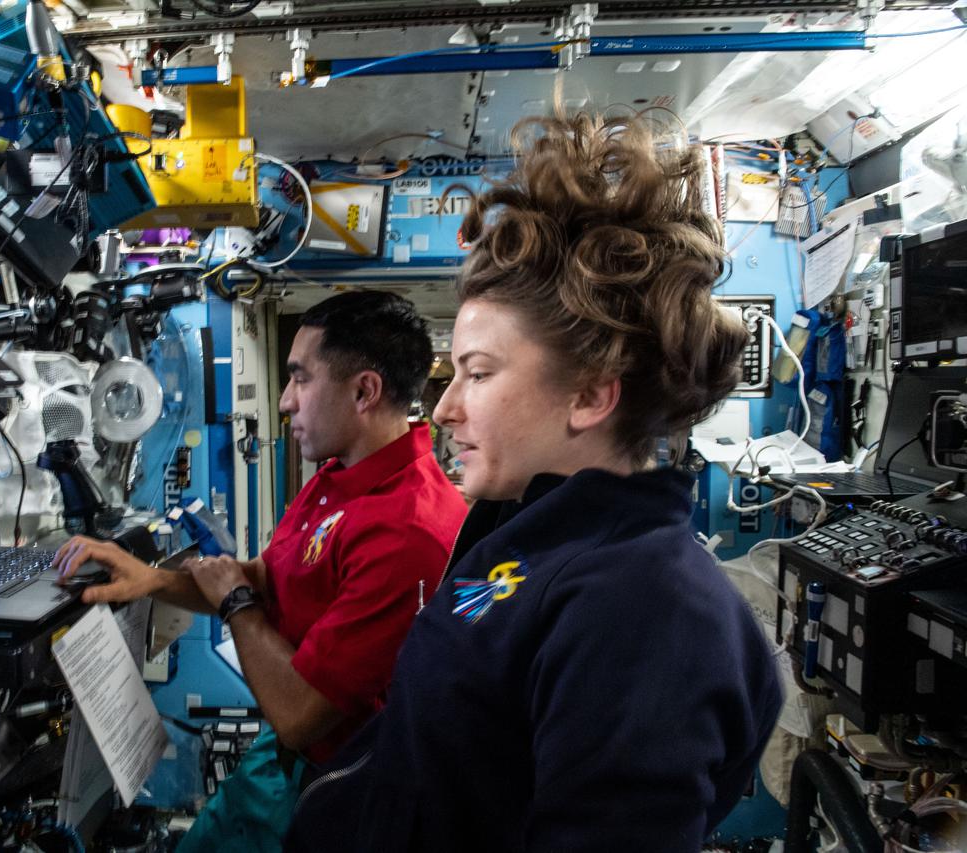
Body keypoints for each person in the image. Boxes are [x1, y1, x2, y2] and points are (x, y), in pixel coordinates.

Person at [285, 110, 784, 852]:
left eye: (479, 373)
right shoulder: (534, 537)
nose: (444, 408)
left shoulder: (646, 612)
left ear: (589, 394)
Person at [53, 290, 467, 852]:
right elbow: (266, 579)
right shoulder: (338, 476)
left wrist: (236, 605)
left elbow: (298, 713)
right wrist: (152, 580)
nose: (284, 401)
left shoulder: (407, 532)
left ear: (363, 391)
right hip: (276, 762)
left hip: (330, 790)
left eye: (300, 378)